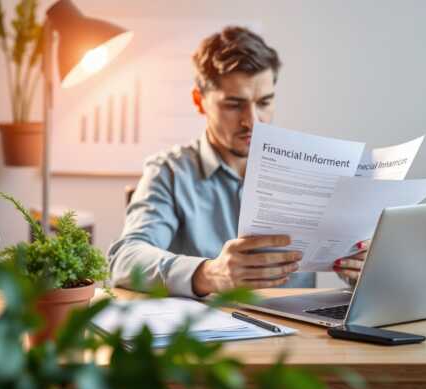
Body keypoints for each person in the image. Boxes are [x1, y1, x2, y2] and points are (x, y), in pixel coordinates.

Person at [108, 26, 367, 297]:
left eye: (264, 102)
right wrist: (208, 273)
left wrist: (363, 268)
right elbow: (125, 259)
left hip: (300, 334)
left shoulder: (313, 170)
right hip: (206, 334)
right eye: (234, 105)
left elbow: (354, 265)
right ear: (199, 101)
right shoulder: (170, 172)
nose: (252, 121)